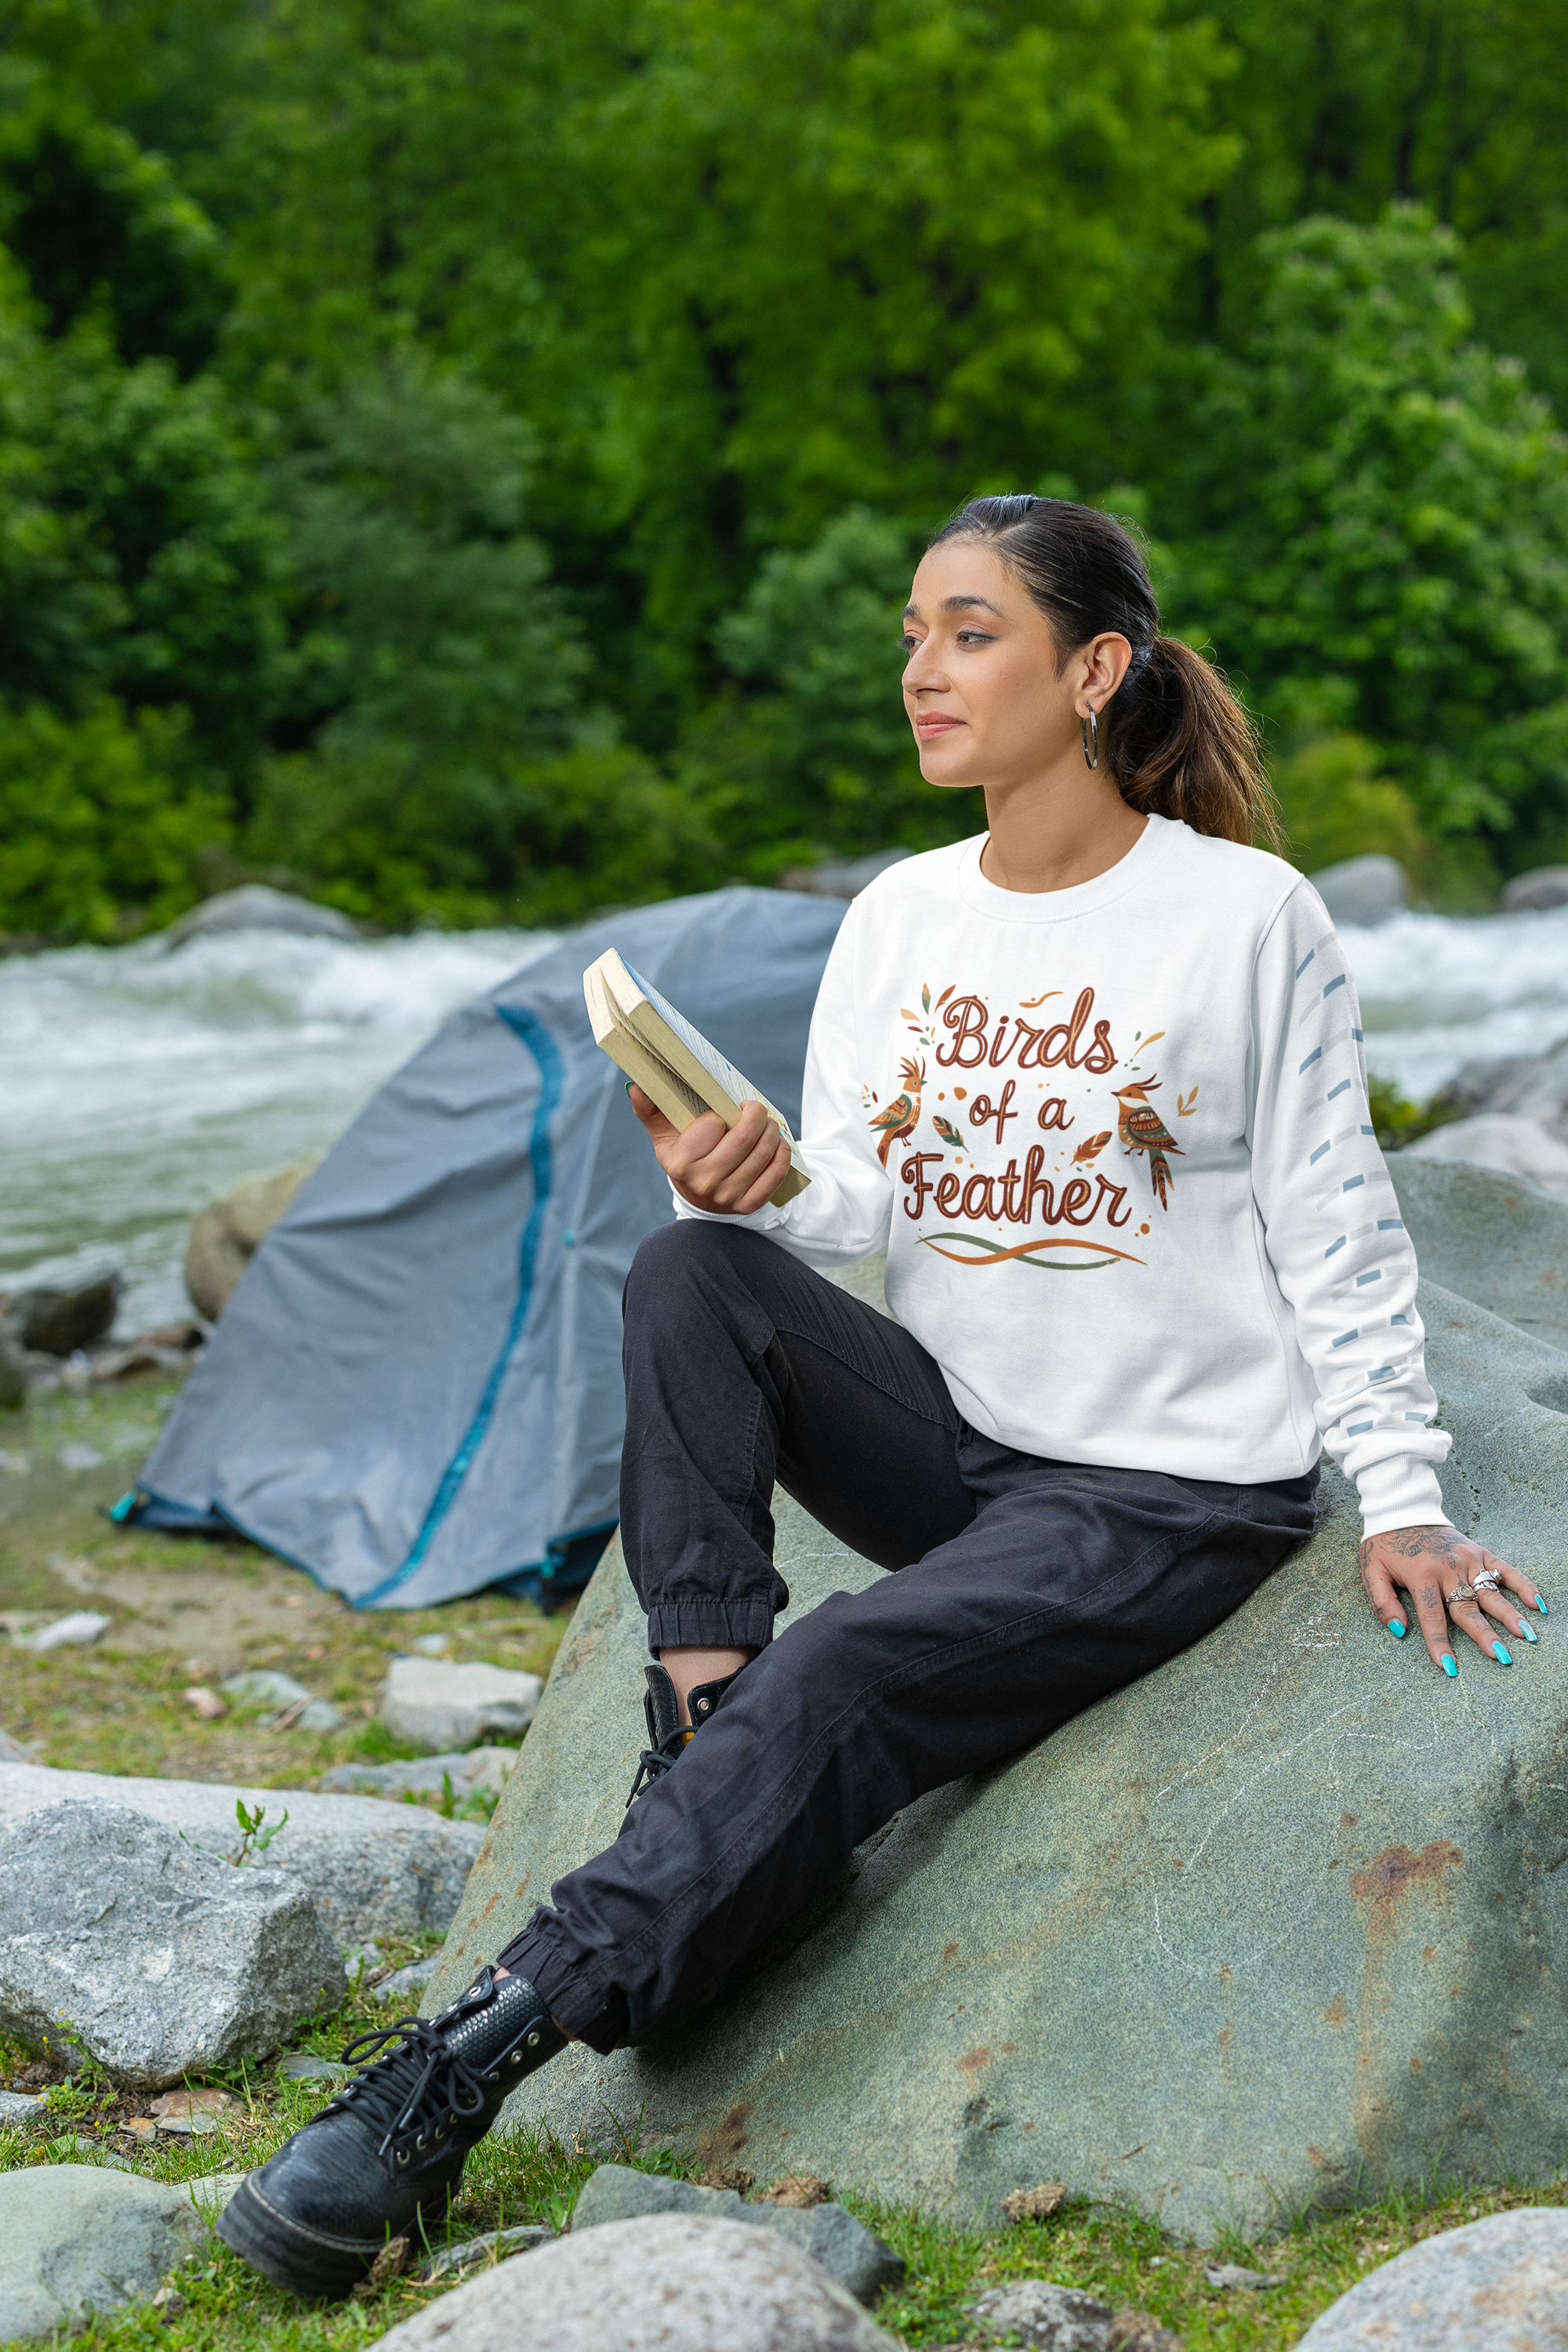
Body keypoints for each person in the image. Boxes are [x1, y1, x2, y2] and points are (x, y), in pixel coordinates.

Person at [220, 494, 1547, 2299]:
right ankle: (708, 1741)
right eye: (913, 633)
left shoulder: (1246, 919)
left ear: (1094, 671)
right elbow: (865, 1196)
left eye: (970, 632)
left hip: (1164, 1503)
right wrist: (747, 1174)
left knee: (839, 1671)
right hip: (961, 1448)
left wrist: (1401, 1497)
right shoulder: (905, 915)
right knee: (688, 1269)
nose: (922, 670)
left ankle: (457, 2073)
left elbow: (1338, 1221)